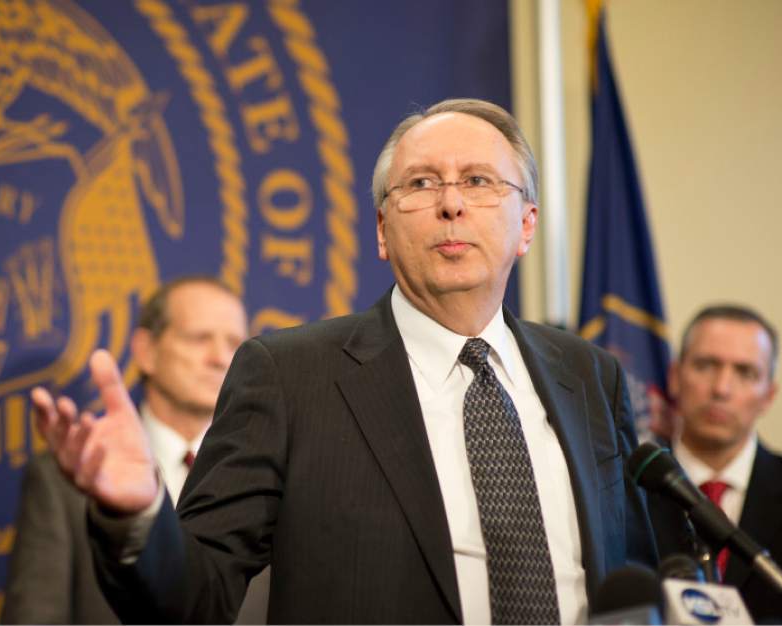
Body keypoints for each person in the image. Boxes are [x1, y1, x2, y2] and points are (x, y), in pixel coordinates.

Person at [32, 98, 657, 624]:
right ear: (383, 231)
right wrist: (138, 513)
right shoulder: (288, 376)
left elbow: (638, 578)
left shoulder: (589, 376)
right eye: (420, 184)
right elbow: (196, 597)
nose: (451, 204)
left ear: (526, 225)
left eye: (478, 181)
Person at [2, 276, 269, 624]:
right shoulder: (72, 476)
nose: (221, 358)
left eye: (235, 343)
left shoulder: (270, 473)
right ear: (146, 351)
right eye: (199, 338)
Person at [648, 304, 781, 622]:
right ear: (675, 377)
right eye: (706, 365)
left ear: (768, 395)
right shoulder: (627, 489)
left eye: (745, 372)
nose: (721, 389)